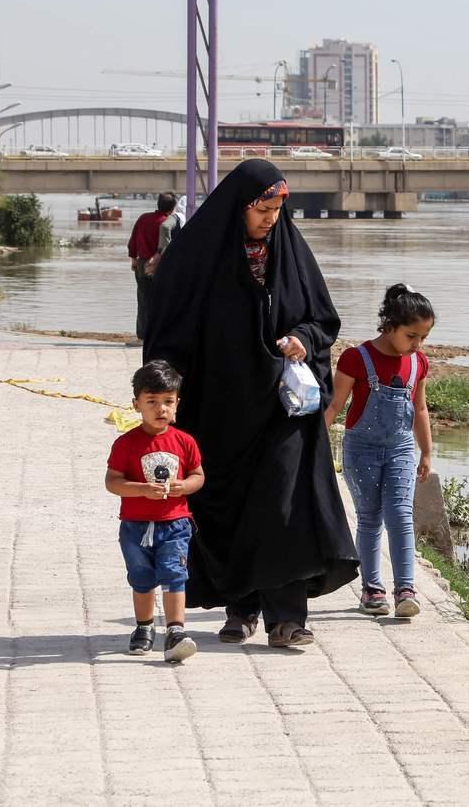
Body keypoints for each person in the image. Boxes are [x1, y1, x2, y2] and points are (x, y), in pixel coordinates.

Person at [144, 159, 358, 648]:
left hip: (282, 410)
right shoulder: (196, 257)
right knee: (233, 507)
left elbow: (322, 318)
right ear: (239, 207)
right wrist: (164, 393)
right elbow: (168, 330)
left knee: (284, 506)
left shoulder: (290, 253)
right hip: (218, 409)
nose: (270, 220)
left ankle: (288, 618)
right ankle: (241, 608)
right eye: (262, 210)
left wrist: (303, 338)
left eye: (277, 210)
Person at [325, 284, 436, 618]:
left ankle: (406, 589)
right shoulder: (355, 358)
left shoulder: (418, 363)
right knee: (370, 518)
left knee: (401, 515)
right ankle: (372, 590)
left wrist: (426, 452)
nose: (417, 344)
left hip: (401, 449)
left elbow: (420, 409)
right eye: (411, 336)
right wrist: (314, 447)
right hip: (361, 452)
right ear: (389, 325)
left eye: (423, 338)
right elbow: (334, 406)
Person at [105, 360, 205, 662]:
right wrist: (141, 489)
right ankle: (144, 626)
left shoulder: (185, 442)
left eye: (168, 402)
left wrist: (184, 486)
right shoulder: (126, 443)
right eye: (152, 402)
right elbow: (113, 482)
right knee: (141, 577)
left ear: (177, 404)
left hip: (175, 523)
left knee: (175, 574)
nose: (161, 409)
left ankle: (176, 630)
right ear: (137, 404)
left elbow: (198, 476)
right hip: (135, 526)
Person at [127, 193, 176, 339]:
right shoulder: (169, 223)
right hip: (160, 266)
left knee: (143, 300)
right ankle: (159, 333)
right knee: (162, 300)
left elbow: (133, 240)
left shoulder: (143, 218)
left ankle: (142, 334)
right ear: (172, 208)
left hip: (142, 264)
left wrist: (133, 259)